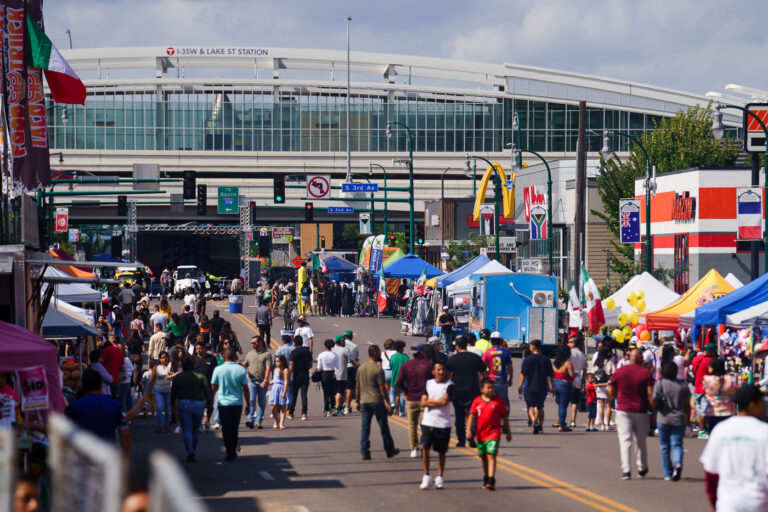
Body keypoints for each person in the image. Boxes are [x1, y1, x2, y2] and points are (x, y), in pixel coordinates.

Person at [700, 384, 768, 511]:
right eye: (762, 403)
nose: (765, 407)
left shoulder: (722, 430)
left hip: (728, 502)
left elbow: (711, 473)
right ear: (752, 405)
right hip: (757, 502)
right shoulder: (764, 432)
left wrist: (714, 502)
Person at [607, 348, 654, 480]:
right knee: (641, 441)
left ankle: (626, 470)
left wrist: (614, 397)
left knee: (625, 440)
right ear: (639, 359)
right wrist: (654, 410)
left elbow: (610, 390)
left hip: (623, 410)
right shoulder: (646, 373)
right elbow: (650, 394)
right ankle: (642, 467)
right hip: (641, 410)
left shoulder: (619, 372)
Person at [65, 370, 131, 456]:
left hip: (83, 457)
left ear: (82, 387)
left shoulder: (74, 406)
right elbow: (125, 433)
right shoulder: (114, 405)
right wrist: (125, 458)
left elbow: (63, 432)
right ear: (100, 386)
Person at [467, 378, 511, 491]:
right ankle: (486, 476)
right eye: (488, 388)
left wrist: (508, 432)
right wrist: (468, 431)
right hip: (481, 434)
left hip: (494, 433)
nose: (491, 390)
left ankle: (491, 479)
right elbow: (471, 416)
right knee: (483, 456)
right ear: (482, 389)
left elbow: (505, 417)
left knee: (491, 455)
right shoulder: (477, 401)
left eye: (492, 388)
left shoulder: (498, 401)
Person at [357, 345, 399, 460]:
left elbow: (357, 387)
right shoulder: (378, 369)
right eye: (379, 352)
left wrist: (357, 401)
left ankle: (365, 451)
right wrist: (388, 403)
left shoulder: (361, 368)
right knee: (384, 427)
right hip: (376, 401)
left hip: (365, 402)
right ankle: (389, 450)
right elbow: (382, 388)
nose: (380, 354)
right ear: (375, 353)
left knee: (365, 427)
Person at [419, 361, 454, 490]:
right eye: (438, 370)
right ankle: (426, 476)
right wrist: (436, 402)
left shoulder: (450, 385)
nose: (441, 372)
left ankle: (440, 476)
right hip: (428, 422)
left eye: (443, 370)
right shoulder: (428, 384)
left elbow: (445, 401)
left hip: (443, 423)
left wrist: (430, 401)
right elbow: (422, 402)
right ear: (433, 372)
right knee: (425, 448)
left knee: (441, 452)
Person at [172, 355, 213, 462]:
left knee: (187, 429)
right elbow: (207, 392)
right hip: (198, 404)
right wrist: (210, 404)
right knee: (195, 430)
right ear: (194, 365)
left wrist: (172, 407)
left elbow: (173, 395)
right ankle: (192, 450)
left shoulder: (178, 377)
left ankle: (190, 451)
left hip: (183, 403)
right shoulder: (200, 377)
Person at [447, 336, 487, 447]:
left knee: (459, 418)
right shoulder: (475, 358)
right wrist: (483, 388)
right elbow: (484, 374)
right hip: (473, 391)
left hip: (457, 393)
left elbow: (449, 378)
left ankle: (461, 440)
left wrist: (448, 393)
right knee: (473, 415)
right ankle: (471, 435)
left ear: (457, 346)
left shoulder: (452, 359)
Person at [653, 360, 690, 481]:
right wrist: (688, 419)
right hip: (679, 418)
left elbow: (654, 401)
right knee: (677, 444)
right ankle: (678, 463)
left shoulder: (660, 384)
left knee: (664, 447)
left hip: (663, 418)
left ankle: (668, 473)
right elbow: (687, 404)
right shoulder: (682, 385)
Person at [211, 349, 250, 462]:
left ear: (223, 358)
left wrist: (210, 401)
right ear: (235, 358)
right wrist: (248, 404)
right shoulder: (241, 370)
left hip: (223, 402)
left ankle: (229, 450)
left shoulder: (218, 369)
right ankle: (232, 449)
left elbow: (213, 386)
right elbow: (245, 389)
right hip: (237, 402)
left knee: (226, 428)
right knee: (234, 427)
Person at [396, 342, 434, 458]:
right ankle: (424, 444)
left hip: (411, 398)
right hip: (424, 398)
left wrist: (405, 391)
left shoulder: (407, 365)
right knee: (425, 424)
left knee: (412, 425)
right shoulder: (428, 365)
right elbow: (433, 381)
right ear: (422, 352)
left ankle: (413, 448)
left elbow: (399, 382)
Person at [518, 339, 554, 434]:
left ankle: (534, 421)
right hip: (542, 387)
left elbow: (523, 374)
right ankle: (540, 426)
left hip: (529, 387)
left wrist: (520, 385)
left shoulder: (527, 359)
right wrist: (552, 387)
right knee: (540, 407)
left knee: (531, 406)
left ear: (532, 347)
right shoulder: (546, 360)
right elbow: (550, 375)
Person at [702, 358, 738, 437]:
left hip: (713, 411)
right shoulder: (732, 379)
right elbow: (735, 393)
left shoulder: (707, 379)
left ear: (712, 368)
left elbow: (706, 391)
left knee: (714, 436)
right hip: (729, 411)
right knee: (727, 437)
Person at [244, 336, 273, 430]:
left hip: (262, 382)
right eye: (252, 343)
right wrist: (239, 365)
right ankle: (250, 420)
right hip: (251, 381)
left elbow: (268, 368)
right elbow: (245, 365)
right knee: (251, 401)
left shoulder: (267, 354)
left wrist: (265, 380)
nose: (252, 345)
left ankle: (258, 422)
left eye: (254, 343)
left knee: (261, 401)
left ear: (260, 342)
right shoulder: (249, 354)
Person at [482, 331, 513, 415]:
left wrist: (484, 378)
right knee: (504, 401)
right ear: (500, 341)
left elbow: (483, 367)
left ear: (491, 341)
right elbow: (510, 367)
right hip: (502, 380)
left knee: (489, 400)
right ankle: (504, 419)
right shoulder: (505, 352)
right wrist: (510, 379)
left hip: (491, 380)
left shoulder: (487, 352)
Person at [692, 343, 716, 437]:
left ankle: (702, 429)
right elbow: (712, 374)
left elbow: (694, 370)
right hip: (705, 389)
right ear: (711, 352)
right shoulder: (710, 361)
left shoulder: (697, 358)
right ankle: (702, 431)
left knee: (700, 410)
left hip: (697, 388)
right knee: (704, 411)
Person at [593, 346, 617, 431]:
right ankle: (607, 424)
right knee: (608, 405)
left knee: (601, 405)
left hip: (599, 386)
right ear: (607, 353)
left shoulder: (597, 362)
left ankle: (602, 424)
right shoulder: (610, 362)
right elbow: (614, 373)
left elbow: (594, 373)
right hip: (608, 385)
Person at [288, 335, 312, 420]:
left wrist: (288, 375)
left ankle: (291, 412)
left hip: (296, 375)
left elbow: (291, 365)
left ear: (294, 342)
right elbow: (310, 364)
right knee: (304, 395)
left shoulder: (294, 352)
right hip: (305, 375)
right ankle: (304, 413)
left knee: (294, 394)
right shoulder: (307, 351)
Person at [552, 344, 575, 432]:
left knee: (560, 404)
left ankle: (561, 422)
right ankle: (561, 425)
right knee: (563, 405)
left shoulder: (555, 363)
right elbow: (572, 375)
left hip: (556, 383)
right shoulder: (567, 363)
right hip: (565, 384)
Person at [150, 351, 173, 433]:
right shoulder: (156, 367)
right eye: (162, 357)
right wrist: (150, 390)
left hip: (168, 390)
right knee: (159, 408)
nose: (164, 359)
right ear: (159, 359)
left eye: (166, 357)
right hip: (159, 390)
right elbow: (152, 380)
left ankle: (166, 426)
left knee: (167, 409)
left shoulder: (171, 367)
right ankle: (159, 425)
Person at [568, 334, 588, 428]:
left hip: (568, 378)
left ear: (573, 343)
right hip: (578, 379)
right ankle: (573, 420)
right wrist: (583, 381)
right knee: (574, 401)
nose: (568, 343)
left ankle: (562, 420)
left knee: (565, 401)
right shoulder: (582, 355)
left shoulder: (568, 353)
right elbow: (585, 369)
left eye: (569, 342)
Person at [316, 339, 340, 416]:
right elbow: (337, 366)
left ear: (325, 346)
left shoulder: (321, 355)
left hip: (324, 374)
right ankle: (333, 408)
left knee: (326, 393)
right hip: (332, 374)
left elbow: (319, 367)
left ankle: (327, 410)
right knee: (332, 393)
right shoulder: (335, 355)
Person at [268, 355, 291, 430]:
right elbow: (274, 380)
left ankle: (281, 423)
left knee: (282, 407)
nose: (277, 363)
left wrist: (284, 392)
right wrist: (268, 383)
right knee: (273, 407)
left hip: (282, 389)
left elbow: (286, 382)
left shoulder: (285, 370)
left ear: (282, 361)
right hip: (275, 389)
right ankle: (276, 420)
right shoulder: (275, 369)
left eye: (278, 361)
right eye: (276, 361)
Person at [332, 336, 352, 415]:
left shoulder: (332, 349)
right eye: (344, 341)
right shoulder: (345, 350)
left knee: (335, 392)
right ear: (341, 342)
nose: (345, 343)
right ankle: (337, 409)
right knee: (339, 392)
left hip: (332, 374)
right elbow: (352, 359)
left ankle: (336, 407)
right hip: (341, 374)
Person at [389, 340, 409, 417]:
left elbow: (390, 366)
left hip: (394, 378)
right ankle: (401, 411)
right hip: (403, 380)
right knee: (401, 395)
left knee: (392, 392)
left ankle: (392, 403)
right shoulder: (405, 357)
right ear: (401, 349)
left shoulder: (393, 357)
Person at [343, 330, 360, 413]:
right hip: (351, 368)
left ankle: (337, 405)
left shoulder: (339, 345)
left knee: (339, 387)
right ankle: (347, 407)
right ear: (351, 337)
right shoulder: (355, 346)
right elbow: (356, 359)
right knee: (349, 388)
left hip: (341, 368)